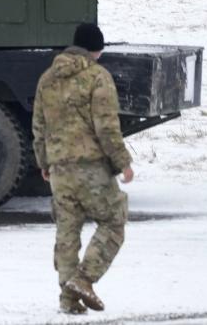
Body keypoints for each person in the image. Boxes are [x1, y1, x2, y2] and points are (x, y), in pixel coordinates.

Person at [32, 23, 134, 315]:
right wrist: (122, 162)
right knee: (114, 222)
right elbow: (106, 126)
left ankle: (68, 299)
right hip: (90, 166)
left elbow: (39, 126)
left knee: (67, 230)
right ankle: (83, 279)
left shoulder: (47, 79)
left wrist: (44, 162)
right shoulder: (97, 77)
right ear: (97, 50)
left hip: (59, 169)